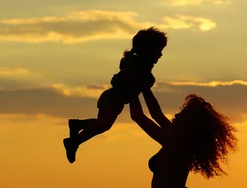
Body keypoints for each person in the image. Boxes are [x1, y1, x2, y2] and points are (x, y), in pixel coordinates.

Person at [63, 27, 168, 163]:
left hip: (115, 99)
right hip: (112, 99)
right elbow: (136, 83)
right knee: (103, 125)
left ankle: (77, 128)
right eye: (158, 51)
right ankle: (74, 139)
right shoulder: (137, 67)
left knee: (103, 124)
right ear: (147, 50)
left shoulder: (137, 65)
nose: (160, 55)